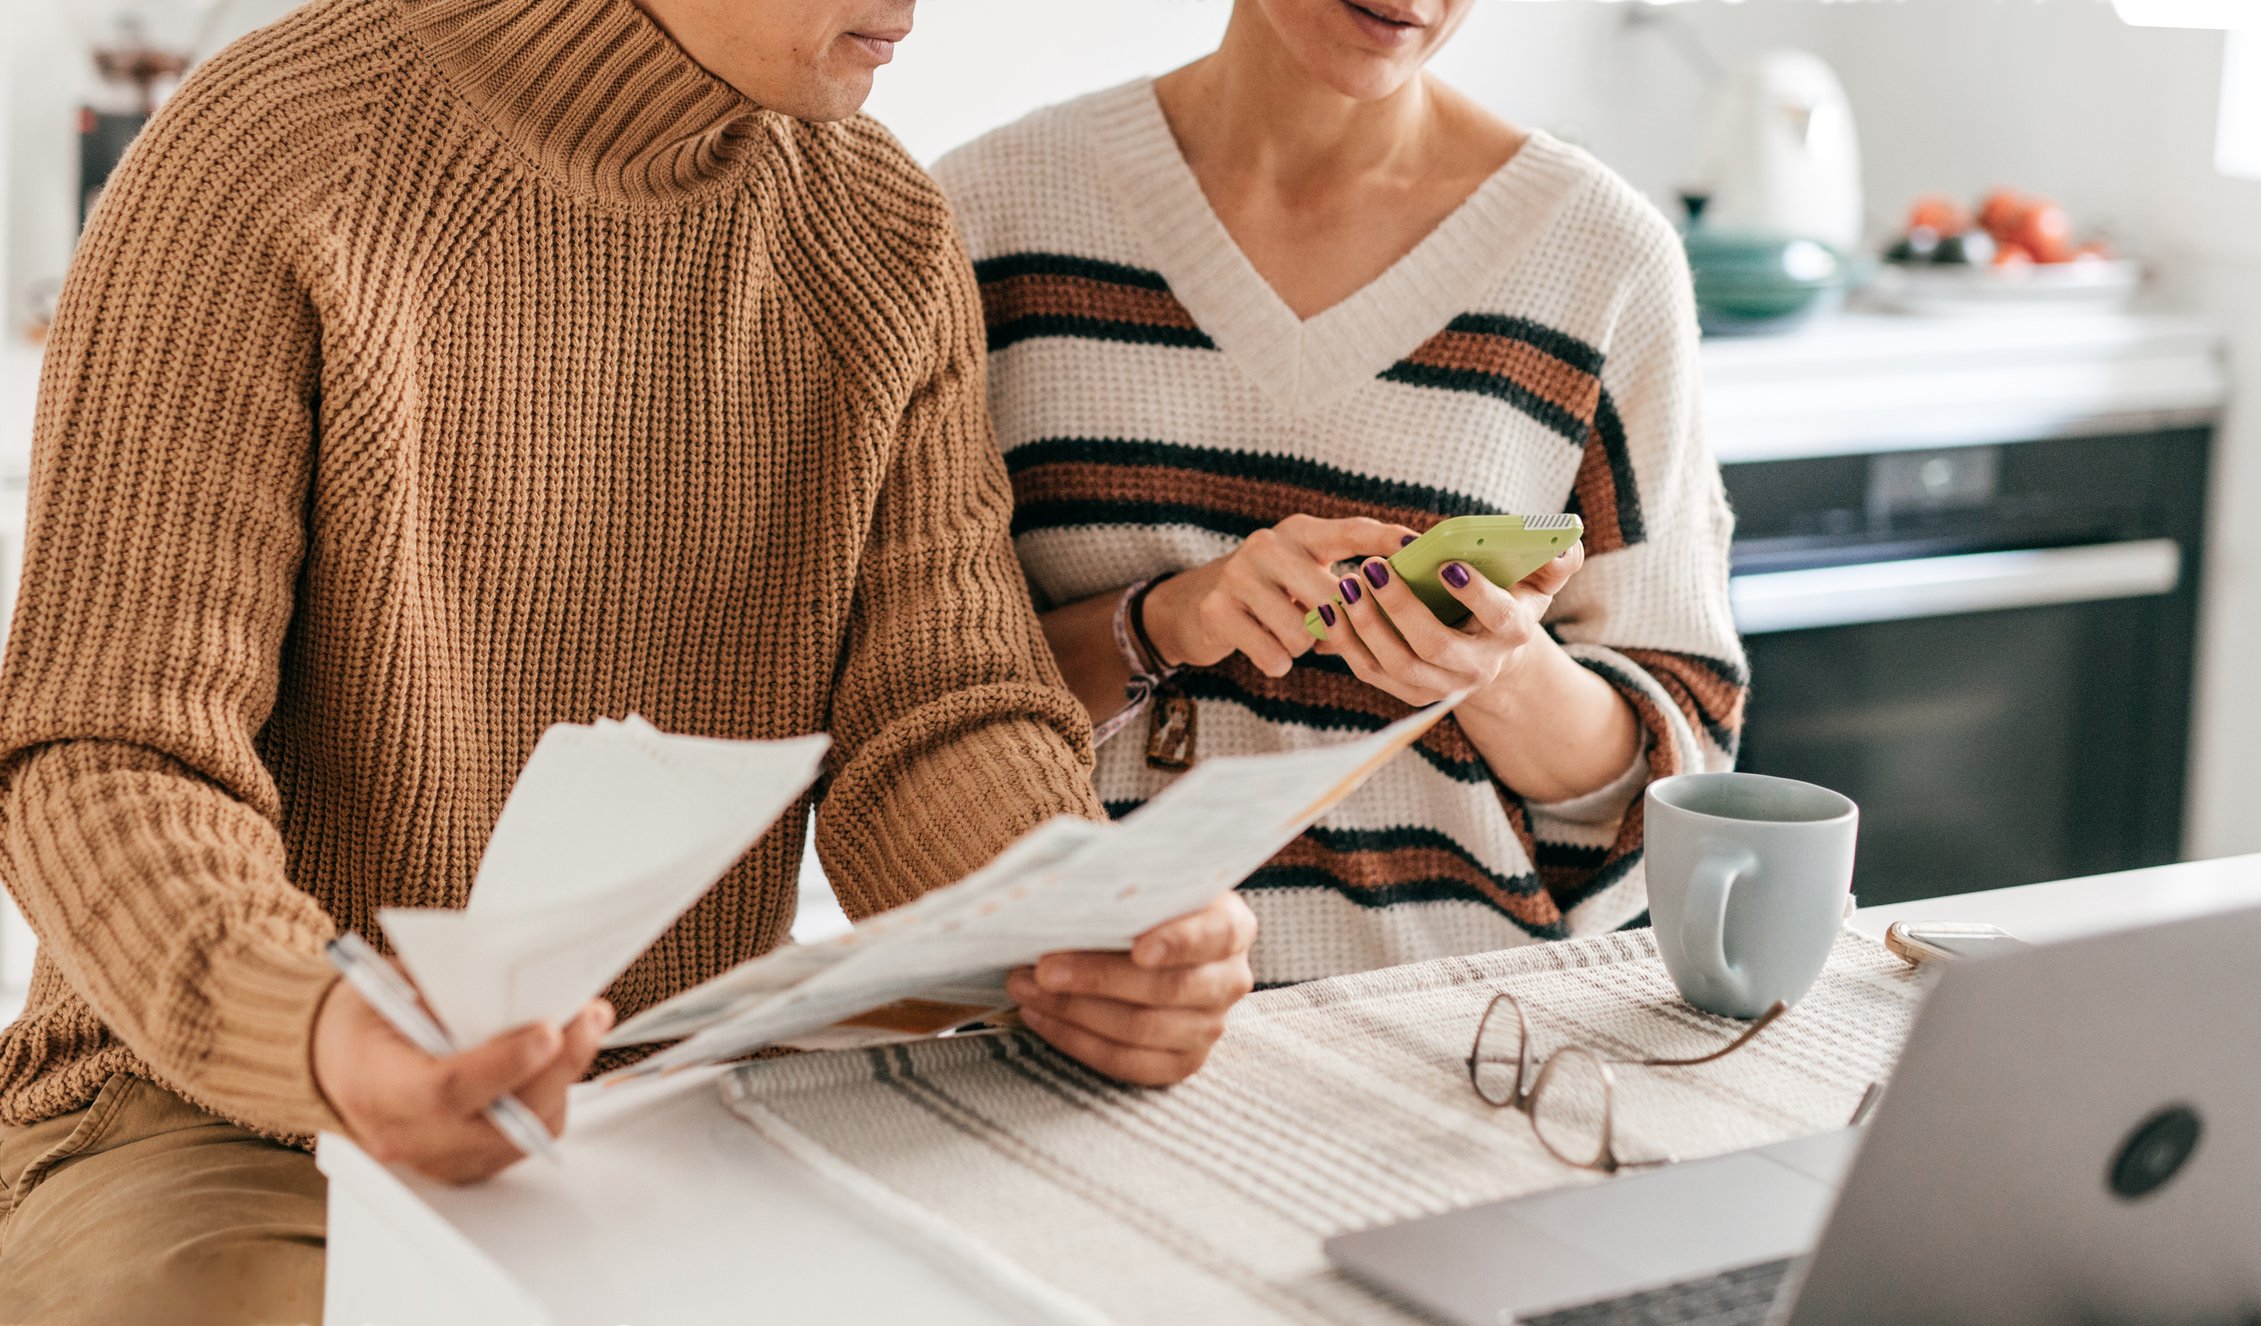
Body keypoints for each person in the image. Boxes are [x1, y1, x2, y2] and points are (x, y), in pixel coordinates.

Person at [0, 0, 1257, 1319]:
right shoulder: (271, 149)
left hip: (669, 1109)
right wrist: (319, 1031)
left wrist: (1084, 921)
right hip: (216, 1113)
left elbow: (938, 716)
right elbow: (107, 747)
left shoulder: (880, 230)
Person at [934, 0, 1746, 988]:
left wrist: (1495, 670)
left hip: (1453, 1038)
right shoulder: (985, 215)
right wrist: (1164, 620)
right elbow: (911, 701)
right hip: (1082, 1004)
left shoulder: (1601, 257)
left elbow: (1684, 763)